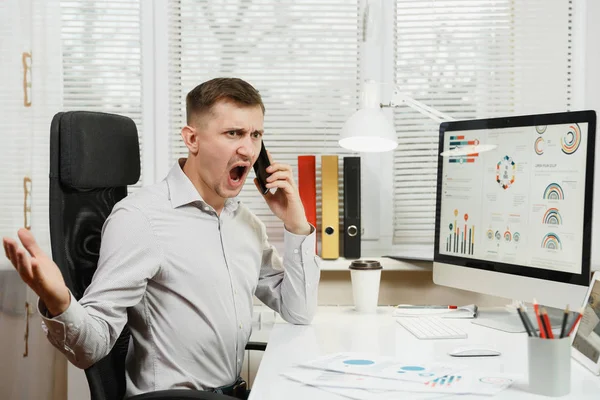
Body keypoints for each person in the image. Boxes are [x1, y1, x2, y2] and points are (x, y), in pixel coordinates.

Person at [2, 77, 320, 398]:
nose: (249, 149)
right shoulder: (141, 218)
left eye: (256, 135)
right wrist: (59, 302)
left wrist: (296, 225)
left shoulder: (245, 224)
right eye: (233, 133)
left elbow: (298, 310)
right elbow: (92, 348)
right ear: (192, 139)